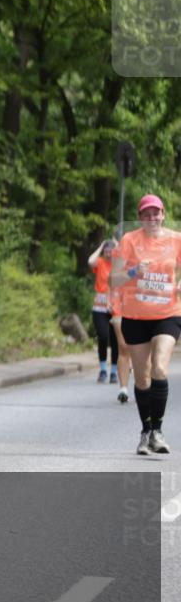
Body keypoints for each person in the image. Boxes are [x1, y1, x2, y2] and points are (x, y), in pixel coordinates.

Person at [110, 194, 181, 455]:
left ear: (163, 214)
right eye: (146, 214)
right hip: (136, 317)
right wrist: (133, 271)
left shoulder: (176, 240)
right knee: (142, 378)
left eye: (156, 213)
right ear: (140, 217)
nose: (152, 218)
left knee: (160, 368)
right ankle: (146, 431)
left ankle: (158, 431)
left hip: (168, 313)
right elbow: (114, 281)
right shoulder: (129, 241)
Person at [87, 239, 119, 384]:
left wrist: (117, 245)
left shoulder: (118, 264)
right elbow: (90, 261)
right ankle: (103, 370)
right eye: (106, 250)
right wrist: (101, 245)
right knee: (103, 336)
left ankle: (113, 372)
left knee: (115, 340)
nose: (108, 251)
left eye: (110, 249)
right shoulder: (99, 262)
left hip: (116, 306)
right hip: (100, 306)